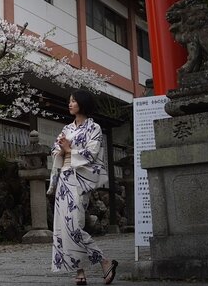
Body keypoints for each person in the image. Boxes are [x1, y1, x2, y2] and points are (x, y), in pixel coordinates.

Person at [47, 89, 118, 285]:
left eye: (73, 101)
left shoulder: (93, 128)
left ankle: (104, 261)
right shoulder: (67, 128)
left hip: (79, 180)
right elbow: (54, 150)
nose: (70, 104)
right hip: (64, 179)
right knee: (63, 227)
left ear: (82, 104)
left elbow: (93, 153)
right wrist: (60, 149)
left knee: (74, 226)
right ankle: (80, 272)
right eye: (69, 101)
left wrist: (70, 149)